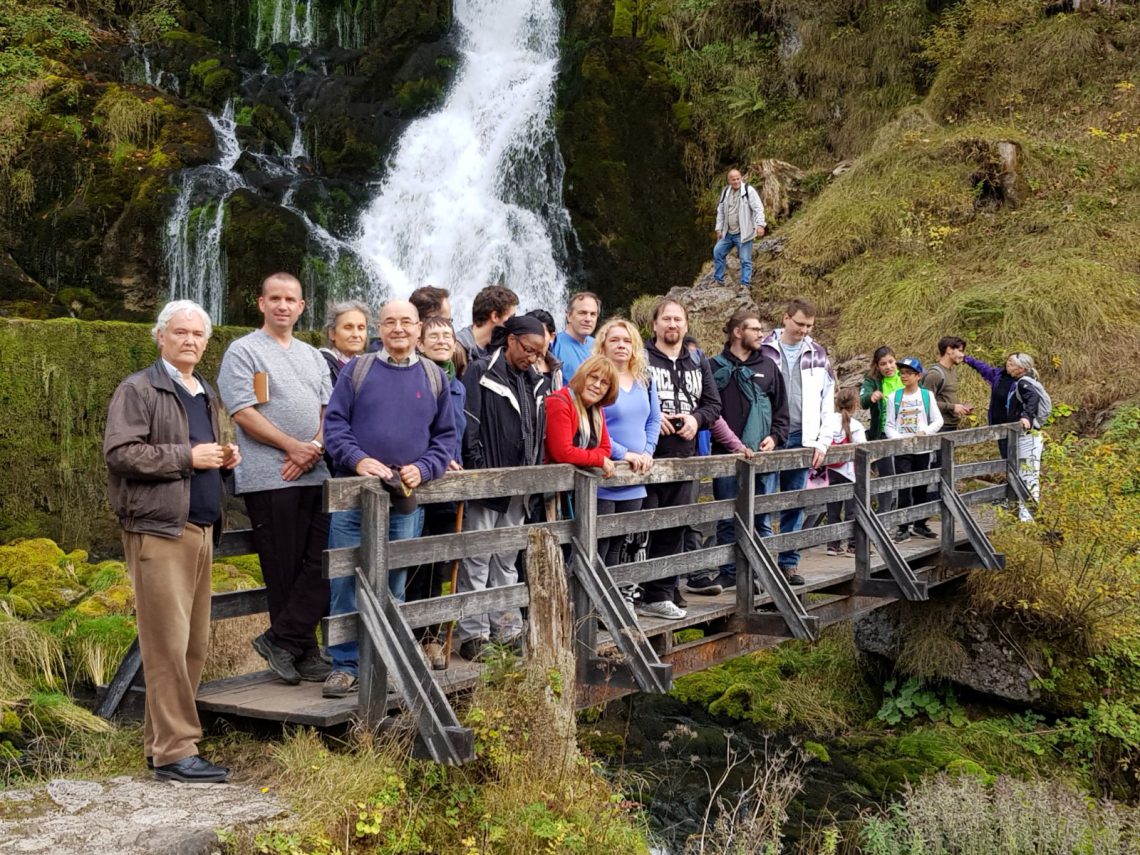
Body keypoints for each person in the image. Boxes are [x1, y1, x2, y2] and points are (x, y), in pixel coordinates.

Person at [104, 300, 239, 784]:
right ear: (160, 337)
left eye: (197, 334)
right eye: (179, 332)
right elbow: (120, 453)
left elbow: (204, 451)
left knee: (192, 645)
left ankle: (160, 745)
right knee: (166, 644)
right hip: (160, 531)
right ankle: (176, 752)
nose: (189, 341)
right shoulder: (139, 388)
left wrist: (224, 457)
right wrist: (188, 456)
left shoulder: (205, 390)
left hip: (202, 528)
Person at [320, 300, 456, 697]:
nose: (399, 329)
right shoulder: (357, 371)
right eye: (391, 322)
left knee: (395, 582)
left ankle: (387, 658)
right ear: (380, 328)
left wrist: (426, 468)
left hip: (404, 496)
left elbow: (446, 437)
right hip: (354, 495)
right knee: (346, 578)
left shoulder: (434, 376)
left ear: (418, 329)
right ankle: (345, 664)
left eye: (406, 322)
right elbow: (335, 425)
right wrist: (358, 459)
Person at [217, 273, 333, 687]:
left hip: (315, 471)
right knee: (283, 566)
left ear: (302, 307)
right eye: (275, 298)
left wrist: (314, 449)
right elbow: (243, 411)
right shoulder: (243, 351)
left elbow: (327, 410)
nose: (283, 305)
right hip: (269, 475)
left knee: (325, 558)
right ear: (261, 303)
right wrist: (292, 447)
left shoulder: (313, 355)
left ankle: (284, 641)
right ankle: (305, 652)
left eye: (291, 299)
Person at [457, 314, 549, 659]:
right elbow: (470, 426)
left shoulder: (535, 379)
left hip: (521, 484)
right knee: (477, 558)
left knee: (507, 559)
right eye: (529, 349)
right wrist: (481, 475)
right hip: (488, 482)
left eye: (539, 352)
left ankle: (506, 629)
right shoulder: (482, 371)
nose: (533, 357)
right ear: (510, 340)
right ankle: (473, 635)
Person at [687, 308, 789, 595]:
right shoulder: (712, 366)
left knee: (760, 517)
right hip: (725, 457)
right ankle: (730, 573)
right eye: (754, 329)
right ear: (737, 332)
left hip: (761, 455)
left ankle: (760, 571)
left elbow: (782, 411)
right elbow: (704, 408)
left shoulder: (769, 367)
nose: (761, 334)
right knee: (727, 516)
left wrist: (775, 437)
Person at [643, 299, 722, 619]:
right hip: (648, 455)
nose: (672, 325)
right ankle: (635, 591)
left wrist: (696, 420)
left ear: (686, 325)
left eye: (677, 319)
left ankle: (661, 593)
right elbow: (621, 394)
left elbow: (713, 404)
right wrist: (653, 416)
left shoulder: (697, 360)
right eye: (666, 319)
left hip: (685, 457)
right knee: (641, 526)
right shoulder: (642, 357)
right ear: (655, 325)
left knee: (674, 528)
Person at [406, 316, 468, 669]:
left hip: (450, 488)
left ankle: (432, 637)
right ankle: (413, 637)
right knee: (416, 560)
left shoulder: (458, 384)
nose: (443, 340)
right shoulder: (414, 379)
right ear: (420, 341)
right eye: (435, 335)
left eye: (448, 335)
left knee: (438, 564)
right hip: (421, 479)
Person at [759, 298, 834, 585]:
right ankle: (763, 560)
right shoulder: (764, 348)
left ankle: (788, 562)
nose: (804, 330)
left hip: (803, 436)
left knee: (796, 501)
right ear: (786, 318)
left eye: (809, 326)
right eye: (800, 323)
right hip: (770, 436)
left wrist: (823, 442)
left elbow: (828, 398)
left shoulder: (817, 353)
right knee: (763, 500)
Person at [593, 319, 660, 567]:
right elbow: (591, 426)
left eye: (627, 340)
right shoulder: (596, 378)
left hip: (635, 475)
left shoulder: (645, 379)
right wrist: (623, 453)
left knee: (620, 543)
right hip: (605, 473)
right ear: (603, 345)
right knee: (599, 543)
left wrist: (647, 451)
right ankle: (589, 603)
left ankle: (610, 600)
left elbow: (654, 419)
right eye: (615, 340)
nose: (621, 345)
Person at [965, 351, 1047, 521]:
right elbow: (984, 369)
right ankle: (1020, 514)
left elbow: (1033, 398)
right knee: (1017, 472)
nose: (1007, 365)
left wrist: (1026, 416)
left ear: (1020, 369)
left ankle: (1027, 519)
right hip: (1014, 435)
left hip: (1027, 436)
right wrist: (968, 359)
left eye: (1011, 363)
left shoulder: (1024, 383)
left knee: (1028, 475)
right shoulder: (1010, 378)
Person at [885, 357, 944, 543]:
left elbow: (938, 420)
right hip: (902, 449)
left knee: (921, 486)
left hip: (922, 448)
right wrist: (899, 440)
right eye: (902, 373)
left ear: (918, 376)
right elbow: (888, 425)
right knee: (904, 487)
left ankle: (919, 523)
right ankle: (902, 527)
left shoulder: (927, 396)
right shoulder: (894, 397)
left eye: (908, 373)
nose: (904, 376)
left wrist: (924, 432)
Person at [544, 354, 618, 476]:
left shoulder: (597, 409)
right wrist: (598, 460)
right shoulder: (559, 402)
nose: (597, 385)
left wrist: (580, 456)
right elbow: (563, 453)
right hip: (549, 482)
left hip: (577, 483)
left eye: (604, 383)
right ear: (582, 376)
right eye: (593, 377)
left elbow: (606, 449)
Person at [823, 388, 866, 556]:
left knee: (832, 509)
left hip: (830, 471)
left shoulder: (828, 421)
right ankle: (853, 545)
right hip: (849, 473)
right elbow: (863, 451)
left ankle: (833, 545)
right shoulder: (856, 426)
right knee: (851, 510)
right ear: (856, 405)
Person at [860, 346, 904, 513]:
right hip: (883, 433)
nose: (888, 367)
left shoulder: (905, 375)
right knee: (887, 473)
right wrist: (872, 397)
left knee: (905, 472)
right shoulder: (872, 380)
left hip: (907, 432)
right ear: (877, 366)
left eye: (891, 362)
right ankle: (884, 513)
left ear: (896, 361)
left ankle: (905, 514)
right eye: (883, 364)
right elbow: (863, 400)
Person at [713, 168, 767, 289]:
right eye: (733, 179)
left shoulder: (749, 191)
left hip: (744, 233)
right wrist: (719, 228)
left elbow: (758, 208)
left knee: (745, 259)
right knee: (718, 252)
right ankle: (718, 280)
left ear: (741, 178)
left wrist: (760, 225)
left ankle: (745, 284)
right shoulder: (725, 192)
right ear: (729, 181)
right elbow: (720, 211)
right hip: (728, 232)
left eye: (738, 179)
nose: (736, 181)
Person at [456, 284, 518, 361]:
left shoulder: (496, 348)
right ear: (495, 316)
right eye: (511, 317)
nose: (514, 321)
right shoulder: (456, 350)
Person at [923, 336, 973, 431]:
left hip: (952, 424)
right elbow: (926, 403)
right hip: (939, 426)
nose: (963, 355)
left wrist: (961, 408)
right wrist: (953, 407)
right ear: (949, 350)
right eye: (960, 351)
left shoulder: (952, 371)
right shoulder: (935, 375)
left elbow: (946, 397)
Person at [318, 300, 372, 385]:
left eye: (361, 328)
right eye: (348, 327)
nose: (356, 334)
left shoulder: (368, 366)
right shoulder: (320, 365)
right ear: (332, 333)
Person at [551, 291, 601, 380]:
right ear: (569, 316)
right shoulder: (554, 344)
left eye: (593, 314)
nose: (588, 319)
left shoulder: (599, 345)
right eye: (582, 313)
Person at [526, 308, 565, 394]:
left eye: (540, 334)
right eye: (531, 334)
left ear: (552, 336)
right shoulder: (521, 367)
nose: (535, 340)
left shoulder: (556, 370)